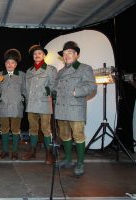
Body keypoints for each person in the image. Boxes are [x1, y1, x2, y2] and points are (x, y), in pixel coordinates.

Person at [54, 41, 97, 176]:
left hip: (75, 107)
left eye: (70, 53)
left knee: (78, 135)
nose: (66, 55)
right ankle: (67, 159)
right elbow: (56, 87)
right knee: (64, 135)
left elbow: (91, 86)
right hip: (61, 107)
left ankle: (80, 162)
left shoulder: (85, 68)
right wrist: (52, 91)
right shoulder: (60, 72)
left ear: (76, 55)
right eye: (65, 53)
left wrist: (76, 91)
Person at [22, 45, 57, 164]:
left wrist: (47, 92)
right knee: (32, 129)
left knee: (46, 129)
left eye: (39, 53)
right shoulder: (29, 71)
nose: (37, 55)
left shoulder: (51, 69)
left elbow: (54, 86)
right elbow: (26, 88)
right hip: (31, 104)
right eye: (35, 54)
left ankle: (49, 153)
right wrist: (27, 98)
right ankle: (32, 151)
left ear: (44, 55)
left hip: (44, 103)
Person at [0, 49, 26, 160]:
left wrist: (22, 98)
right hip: (3, 106)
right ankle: (5, 151)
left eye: (12, 62)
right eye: (8, 62)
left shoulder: (22, 75)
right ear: (5, 64)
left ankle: (15, 152)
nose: (10, 64)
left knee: (16, 129)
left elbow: (25, 89)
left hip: (16, 106)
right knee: (4, 129)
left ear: (16, 64)